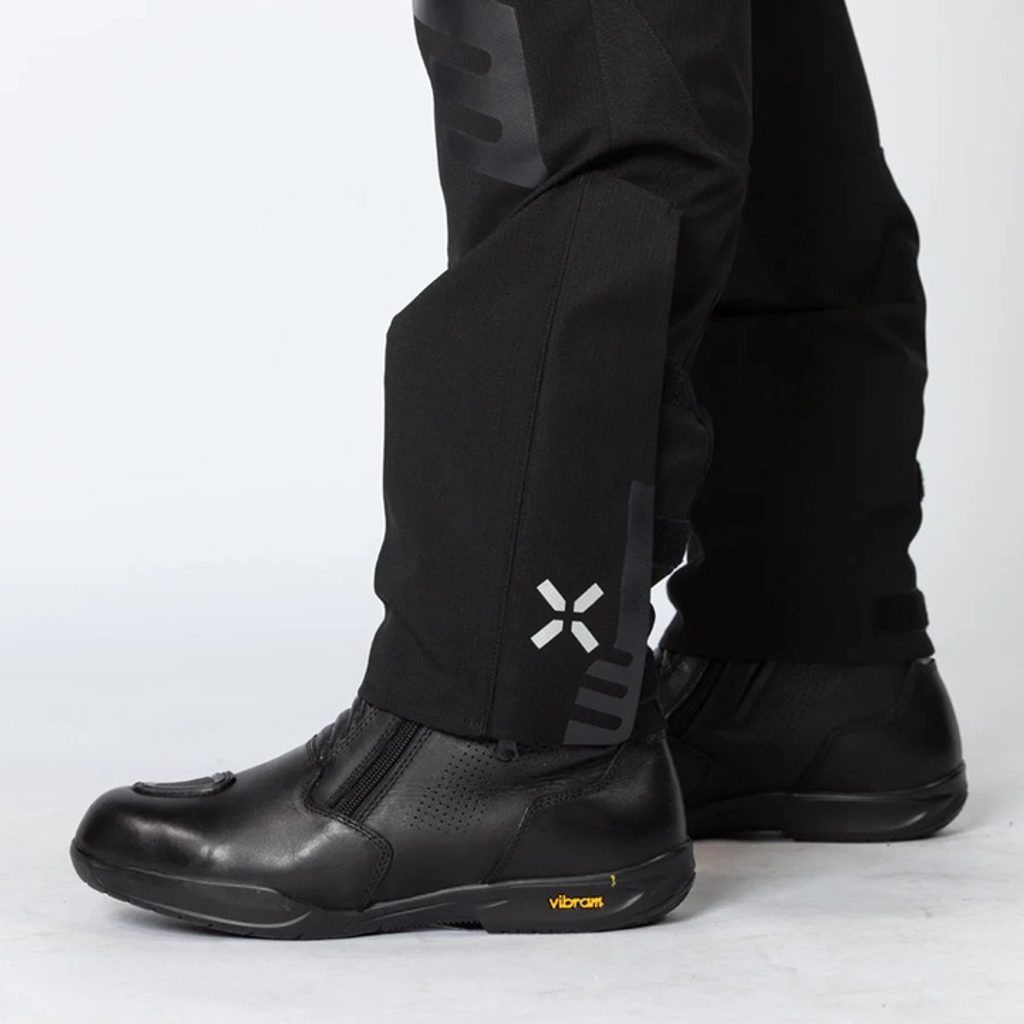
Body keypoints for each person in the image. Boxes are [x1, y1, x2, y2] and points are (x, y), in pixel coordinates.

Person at [70, 0, 966, 937]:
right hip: (811, 649)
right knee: (736, 50)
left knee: (594, 104)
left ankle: (510, 743)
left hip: (525, 738)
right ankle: (804, 665)